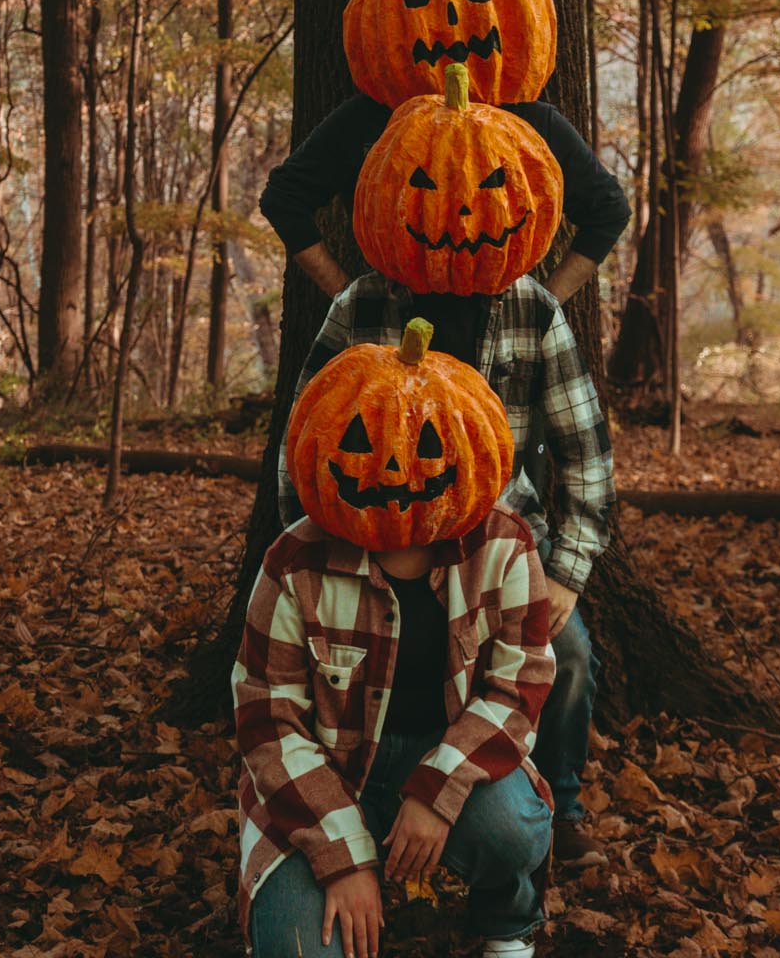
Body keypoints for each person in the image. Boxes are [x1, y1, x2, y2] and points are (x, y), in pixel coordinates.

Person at [236, 323, 555, 958]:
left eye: (429, 447)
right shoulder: (293, 563)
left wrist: (437, 792)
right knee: (299, 946)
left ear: (472, 451)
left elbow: (519, 688)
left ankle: (507, 927)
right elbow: (268, 722)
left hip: (445, 754)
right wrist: (344, 858)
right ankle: (353, 868)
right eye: (358, 442)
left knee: (512, 827)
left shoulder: (505, 546)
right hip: (327, 777)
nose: (390, 470)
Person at [279, 273, 613, 871]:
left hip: (501, 553)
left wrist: (568, 570)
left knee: (569, 657)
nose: (458, 212)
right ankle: (354, 800)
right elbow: (307, 429)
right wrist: (307, 556)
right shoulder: (362, 303)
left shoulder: (531, 308)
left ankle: (558, 808)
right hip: (364, 541)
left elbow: (584, 448)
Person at [258, 90, 630, 306]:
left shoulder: (529, 121)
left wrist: (547, 303)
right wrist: (345, 295)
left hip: (503, 338)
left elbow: (609, 210)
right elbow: (284, 199)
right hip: (392, 336)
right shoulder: (369, 119)